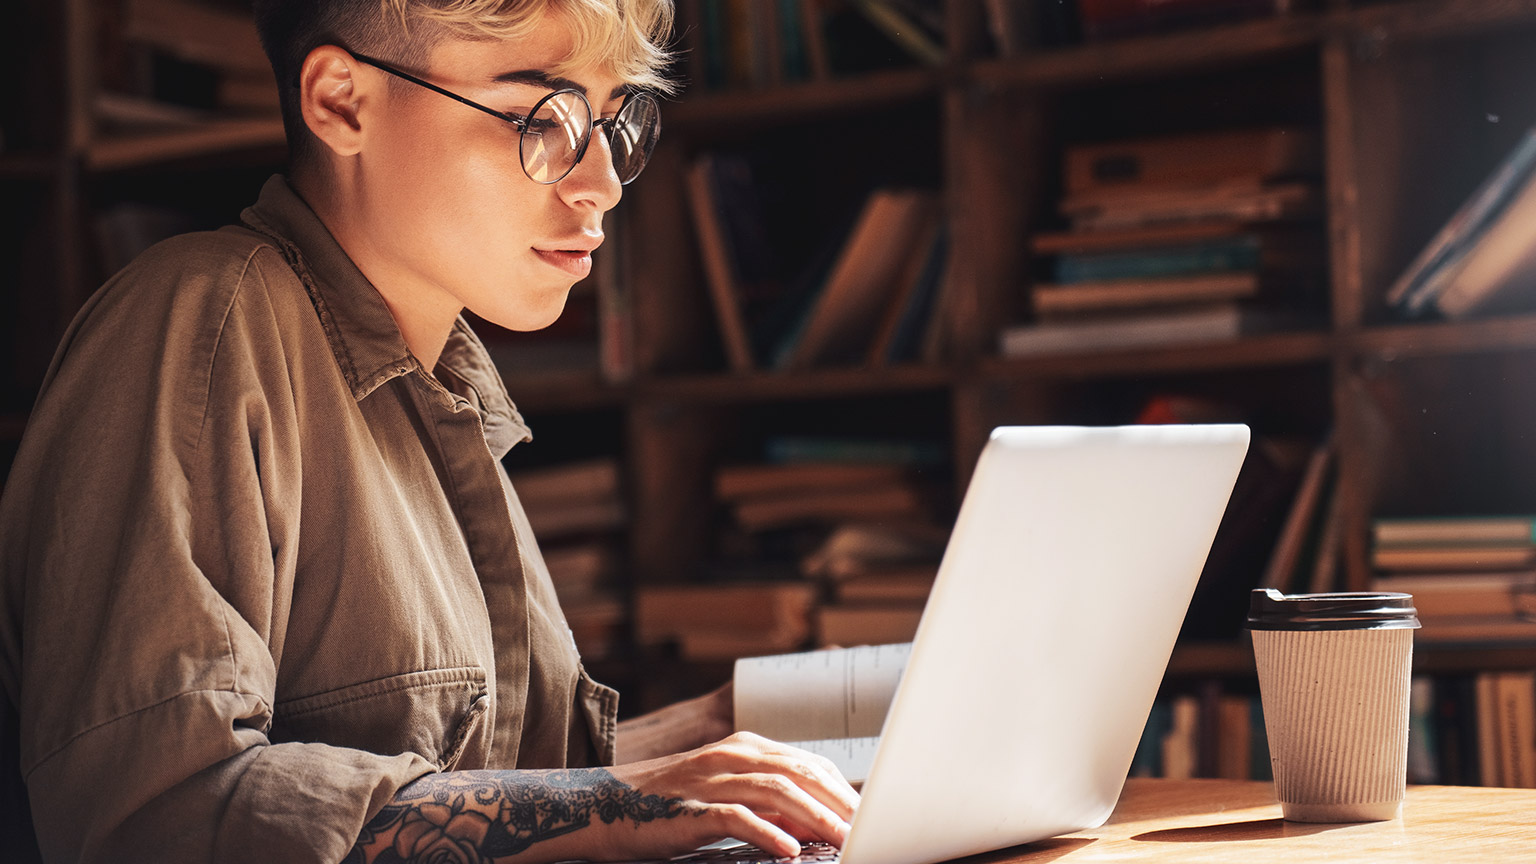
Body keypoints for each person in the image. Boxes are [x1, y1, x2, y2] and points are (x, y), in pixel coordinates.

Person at [0, 1, 858, 862]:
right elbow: (154, 818)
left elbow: (500, 782)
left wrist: (709, 733)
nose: (599, 181)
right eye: (541, 117)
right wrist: (629, 799)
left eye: (611, 120)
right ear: (341, 101)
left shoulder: (440, 376)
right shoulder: (204, 320)